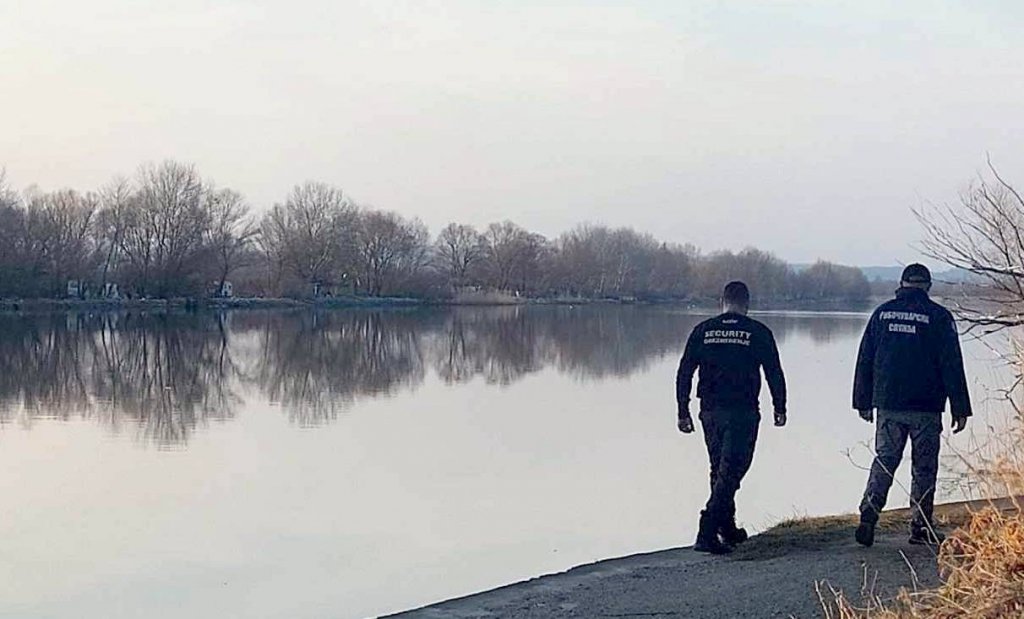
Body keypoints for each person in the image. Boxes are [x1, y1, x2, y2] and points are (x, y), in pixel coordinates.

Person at [852, 263, 972, 547]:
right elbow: (952, 364)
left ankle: (870, 511)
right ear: (928, 286)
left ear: (901, 284)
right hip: (926, 406)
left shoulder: (881, 314)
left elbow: (865, 359)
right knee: (924, 467)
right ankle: (920, 526)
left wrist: (862, 401)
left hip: (889, 404)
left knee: (885, 458)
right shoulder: (939, 317)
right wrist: (960, 407)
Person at [676, 281, 787, 555]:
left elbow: (684, 372)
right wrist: (780, 407)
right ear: (747, 304)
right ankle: (706, 530)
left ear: (722, 302)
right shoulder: (758, 332)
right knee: (733, 470)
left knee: (720, 469)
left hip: (709, 411)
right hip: (742, 411)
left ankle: (726, 527)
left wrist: (683, 411)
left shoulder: (703, 330)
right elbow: (774, 372)